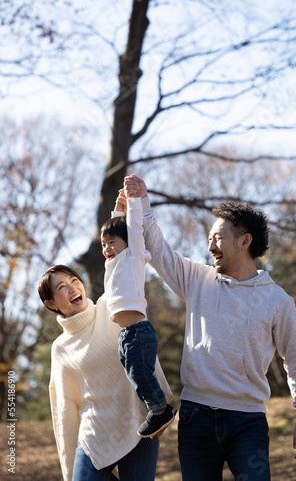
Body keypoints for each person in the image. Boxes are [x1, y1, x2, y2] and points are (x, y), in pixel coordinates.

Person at [122, 174, 296, 481]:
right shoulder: (197, 279)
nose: (210, 243)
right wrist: (141, 202)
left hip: (248, 421)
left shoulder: (278, 301)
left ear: (244, 241)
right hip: (195, 417)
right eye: (209, 238)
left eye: (217, 237)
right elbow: (159, 252)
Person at [38, 264, 172, 481]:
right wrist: (68, 466)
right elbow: (64, 409)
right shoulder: (60, 348)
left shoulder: (111, 305)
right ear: (51, 303)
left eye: (73, 280)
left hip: (137, 422)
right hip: (94, 435)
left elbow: (130, 268)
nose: (72, 288)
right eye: (62, 287)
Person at [101, 185, 176, 438]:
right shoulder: (113, 265)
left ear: (127, 244)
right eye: (104, 245)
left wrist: (133, 202)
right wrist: (118, 210)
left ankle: (160, 410)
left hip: (138, 332)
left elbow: (132, 228)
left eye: (111, 243)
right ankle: (157, 409)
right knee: (134, 373)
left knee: (139, 373)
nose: (107, 249)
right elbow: (118, 228)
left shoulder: (133, 255)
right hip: (126, 335)